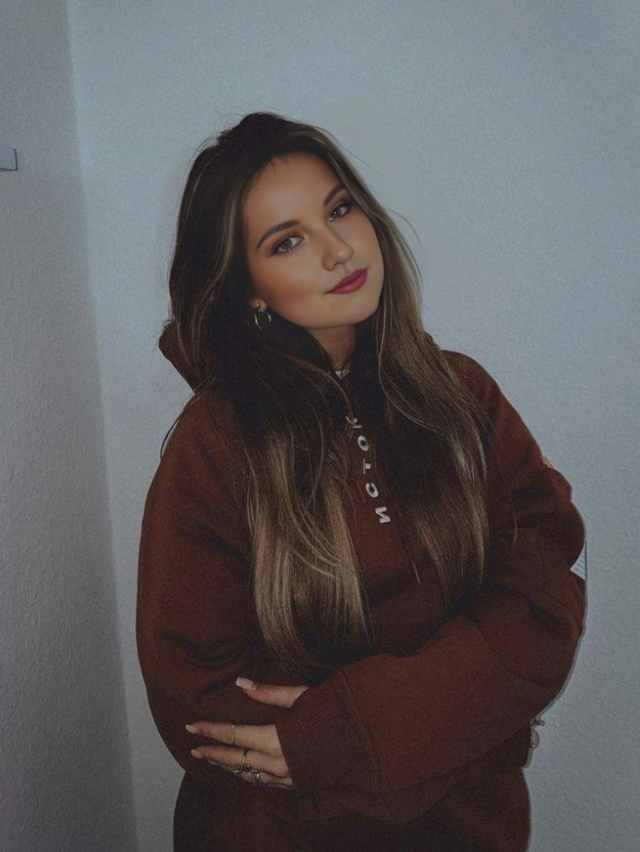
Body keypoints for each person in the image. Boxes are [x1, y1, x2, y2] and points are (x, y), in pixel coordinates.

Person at [136, 112, 587, 852]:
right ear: (249, 289)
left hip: (471, 826)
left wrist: (354, 737)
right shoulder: (215, 444)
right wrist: (464, 716)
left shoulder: (461, 395)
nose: (339, 249)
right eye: (287, 241)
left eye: (340, 209)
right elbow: (200, 707)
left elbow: (543, 601)